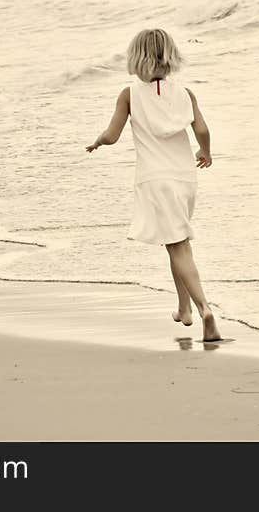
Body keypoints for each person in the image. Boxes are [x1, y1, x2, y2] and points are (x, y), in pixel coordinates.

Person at [86, 28, 222, 342]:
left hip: (155, 179)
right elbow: (201, 129)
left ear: (136, 57)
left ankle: (205, 309)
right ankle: (184, 309)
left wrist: (98, 143)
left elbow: (112, 134)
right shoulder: (185, 93)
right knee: (176, 241)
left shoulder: (129, 94)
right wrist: (206, 152)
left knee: (178, 245)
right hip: (185, 178)